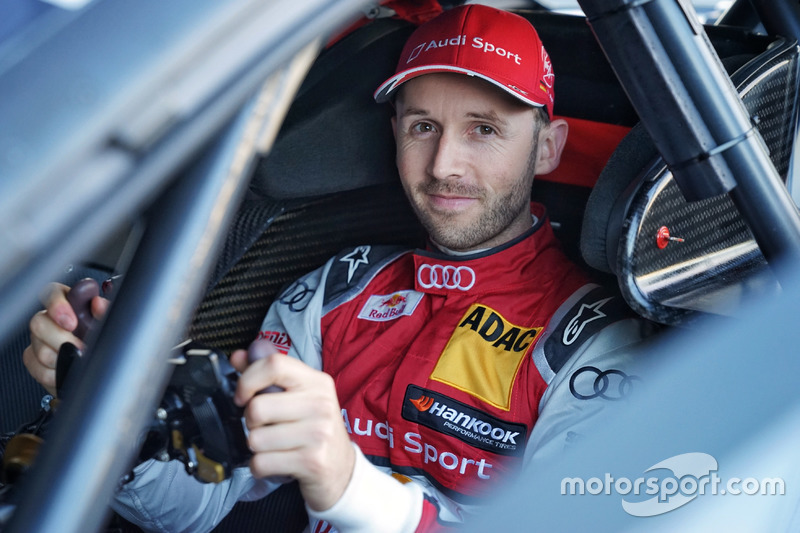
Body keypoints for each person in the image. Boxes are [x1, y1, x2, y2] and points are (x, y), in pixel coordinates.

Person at [23, 4, 656, 532]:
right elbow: (200, 507)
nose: (442, 165)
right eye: (423, 126)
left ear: (548, 147)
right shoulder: (333, 292)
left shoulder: (593, 347)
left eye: (484, 130)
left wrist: (352, 486)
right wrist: (110, 415)